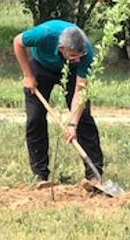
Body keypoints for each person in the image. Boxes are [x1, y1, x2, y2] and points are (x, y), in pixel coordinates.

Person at [13, 19, 104, 187]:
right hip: (40, 67)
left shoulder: (86, 53)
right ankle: (40, 175)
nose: (78, 59)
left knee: (83, 118)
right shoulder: (44, 34)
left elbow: (81, 90)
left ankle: (94, 175)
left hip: (71, 74)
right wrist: (27, 75)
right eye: (73, 56)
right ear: (62, 49)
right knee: (35, 118)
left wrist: (72, 124)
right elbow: (18, 42)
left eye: (80, 56)